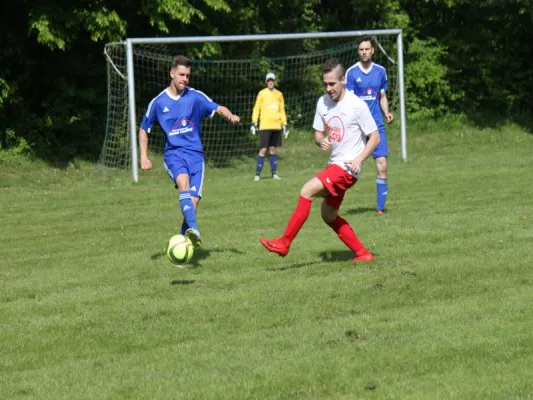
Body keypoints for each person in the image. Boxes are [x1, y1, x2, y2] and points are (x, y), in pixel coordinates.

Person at [260, 59, 380, 262]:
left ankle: (284, 243)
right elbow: (317, 134)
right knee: (328, 214)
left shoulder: (356, 105)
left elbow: (375, 136)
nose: (328, 88)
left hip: (347, 167)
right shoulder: (322, 103)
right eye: (325, 84)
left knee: (306, 190)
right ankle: (363, 253)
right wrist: (320, 141)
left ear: (343, 80)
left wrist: (359, 159)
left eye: (332, 83)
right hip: (335, 165)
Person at [139, 55, 240, 247]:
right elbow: (144, 128)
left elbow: (218, 108)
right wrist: (144, 156)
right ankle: (194, 230)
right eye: (181, 75)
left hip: (196, 156)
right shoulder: (159, 102)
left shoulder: (195, 97)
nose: (184, 79)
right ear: (172, 73)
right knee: (183, 183)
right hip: (174, 155)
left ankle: (179, 244)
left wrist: (230, 115)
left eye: (187, 76)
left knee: (192, 205)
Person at [346, 36, 394, 215]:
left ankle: (380, 209)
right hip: (357, 128)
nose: (364, 52)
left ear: (373, 51)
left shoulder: (380, 71)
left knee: (382, 165)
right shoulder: (351, 73)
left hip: (376, 125)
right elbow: (349, 101)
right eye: (361, 49)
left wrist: (386, 112)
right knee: (346, 166)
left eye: (367, 49)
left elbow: (381, 96)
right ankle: (332, 204)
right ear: (358, 52)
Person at [250, 72, 289, 181]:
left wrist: (285, 124)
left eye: (272, 80)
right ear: (266, 82)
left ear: (274, 81)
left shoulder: (279, 94)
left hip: (276, 126)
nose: (270, 82)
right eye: (269, 81)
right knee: (263, 149)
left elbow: (282, 110)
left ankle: (274, 173)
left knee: (273, 149)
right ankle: (257, 174)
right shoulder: (262, 94)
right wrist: (254, 123)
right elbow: (256, 108)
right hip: (265, 126)